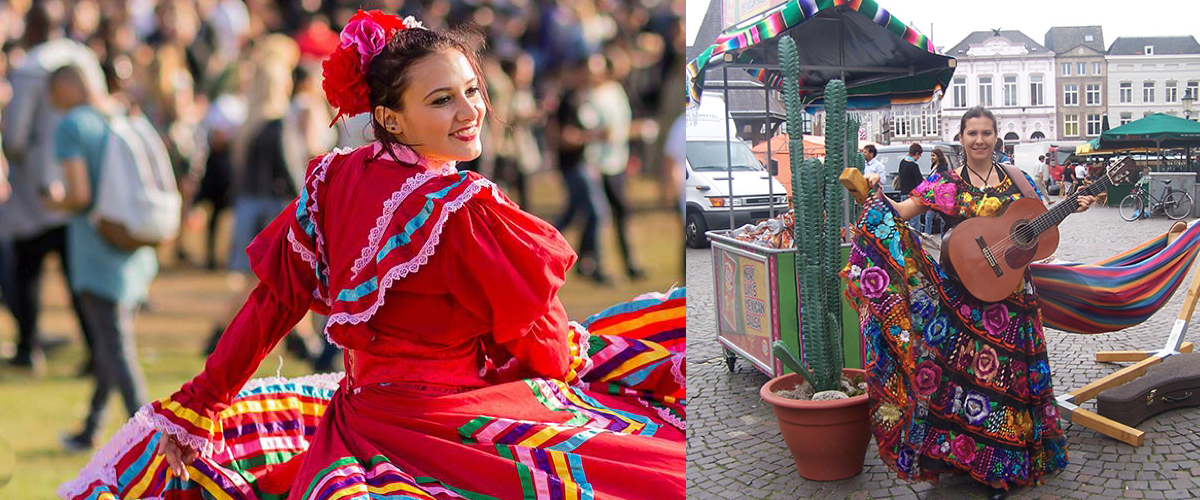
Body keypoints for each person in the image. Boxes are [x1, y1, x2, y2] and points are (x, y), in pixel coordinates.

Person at [58, 12, 684, 500]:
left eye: (472, 90)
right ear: (389, 115)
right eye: (442, 101)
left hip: (361, 422)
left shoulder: (330, 181)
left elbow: (274, 304)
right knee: (651, 463)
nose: (470, 113)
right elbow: (540, 340)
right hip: (450, 424)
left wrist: (200, 404)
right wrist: (577, 373)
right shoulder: (463, 205)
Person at [846, 106, 1094, 500]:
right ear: (960, 138)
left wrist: (1070, 209)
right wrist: (873, 193)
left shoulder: (1018, 179)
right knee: (954, 380)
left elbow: (1037, 229)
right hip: (960, 302)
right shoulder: (943, 183)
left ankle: (998, 469)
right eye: (972, 133)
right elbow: (902, 212)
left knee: (1003, 386)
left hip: (1010, 302)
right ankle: (955, 458)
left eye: (987, 133)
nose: (979, 140)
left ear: (996, 137)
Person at [42, 64, 157, 450]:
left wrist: (51, 199)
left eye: (53, 91)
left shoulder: (72, 125)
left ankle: (150, 438)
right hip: (134, 245)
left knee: (116, 348)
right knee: (112, 344)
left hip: (96, 249)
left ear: (67, 86)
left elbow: (79, 194)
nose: (51, 101)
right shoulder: (119, 113)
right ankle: (92, 427)